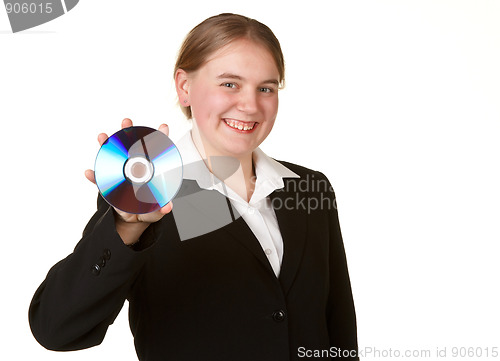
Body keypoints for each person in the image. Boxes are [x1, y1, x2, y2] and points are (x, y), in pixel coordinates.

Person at [29, 13, 359, 361]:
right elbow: (56, 330)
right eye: (229, 84)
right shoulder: (146, 196)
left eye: (266, 88)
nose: (250, 105)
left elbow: (338, 326)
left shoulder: (307, 188)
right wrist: (127, 227)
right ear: (184, 87)